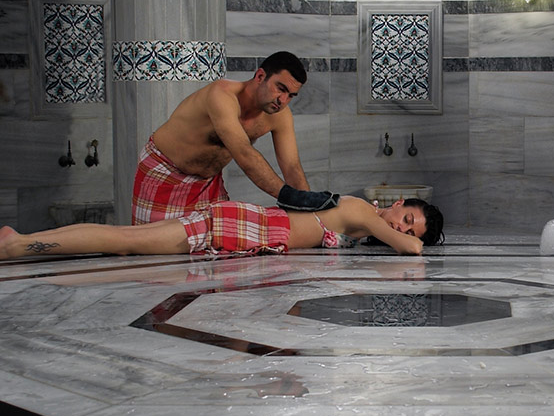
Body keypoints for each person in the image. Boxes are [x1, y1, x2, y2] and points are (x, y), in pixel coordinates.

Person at [133, 51, 337, 224]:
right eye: (280, 88)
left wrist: (311, 215)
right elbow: (244, 153)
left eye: (291, 95)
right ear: (260, 76)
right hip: (165, 172)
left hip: (207, 184)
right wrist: (291, 197)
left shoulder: (280, 116)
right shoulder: (221, 95)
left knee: (215, 249)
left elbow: (292, 167)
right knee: (151, 249)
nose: (283, 100)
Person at [1, 196, 444, 260]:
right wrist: (410, 240)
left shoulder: (363, 222)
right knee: (125, 241)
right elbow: (411, 251)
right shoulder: (364, 211)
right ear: (399, 203)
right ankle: (16, 245)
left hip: (248, 228)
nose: (401, 227)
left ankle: (20, 241)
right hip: (244, 226)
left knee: (127, 240)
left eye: (411, 229)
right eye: (407, 219)